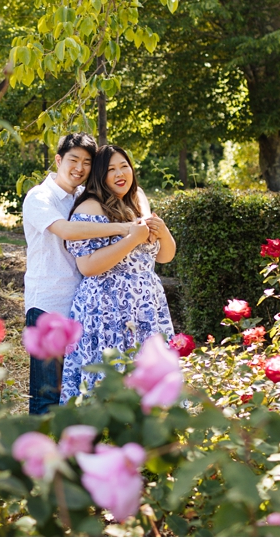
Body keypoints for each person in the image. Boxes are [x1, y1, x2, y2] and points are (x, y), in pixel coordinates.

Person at [22, 133, 139, 415]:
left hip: (81, 307)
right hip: (47, 307)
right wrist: (124, 229)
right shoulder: (40, 196)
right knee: (45, 393)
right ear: (59, 160)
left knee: (72, 390)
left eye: (87, 163)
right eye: (73, 160)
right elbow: (67, 231)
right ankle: (35, 456)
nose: (80, 168)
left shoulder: (82, 198)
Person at [60, 144, 177, 404]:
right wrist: (132, 238)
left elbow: (165, 256)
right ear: (100, 176)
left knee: (146, 383)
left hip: (146, 306)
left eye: (124, 166)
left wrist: (163, 230)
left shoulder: (137, 200)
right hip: (107, 307)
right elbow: (88, 267)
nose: (120, 173)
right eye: (111, 169)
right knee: (108, 383)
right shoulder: (89, 209)